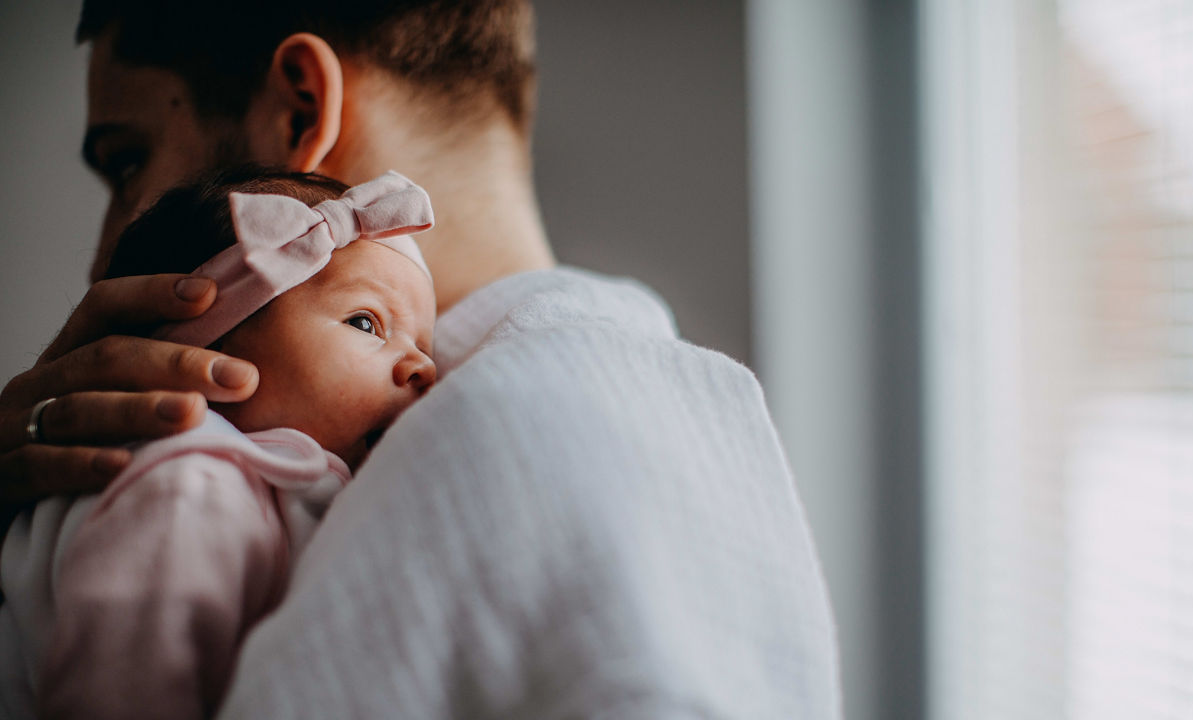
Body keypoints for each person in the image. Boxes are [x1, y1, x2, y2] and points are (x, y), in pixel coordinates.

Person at [0, 2, 841, 717]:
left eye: (127, 161)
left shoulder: (525, 434)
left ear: (299, 112)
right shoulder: (661, 412)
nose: (104, 249)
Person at [1, 169, 438, 720]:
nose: (424, 367)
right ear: (211, 352)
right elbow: (125, 686)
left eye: (425, 343)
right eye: (366, 323)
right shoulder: (188, 483)